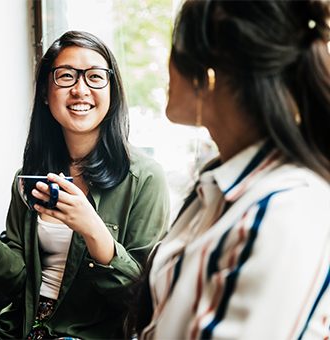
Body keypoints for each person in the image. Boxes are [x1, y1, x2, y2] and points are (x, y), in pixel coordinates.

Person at [128, 1, 330, 339]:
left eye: (175, 46)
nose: (167, 65)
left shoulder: (287, 208)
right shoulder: (217, 188)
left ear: (208, 69)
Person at [0, 30, 170, 340]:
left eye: (95, 77)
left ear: (112, 91)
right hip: (15, 330)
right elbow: (16, 285)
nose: (81, 89)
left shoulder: (146, 178)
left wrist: (91, 227)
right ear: (45, 93)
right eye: (66, 76)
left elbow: (140, 301)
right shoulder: (29, 177)